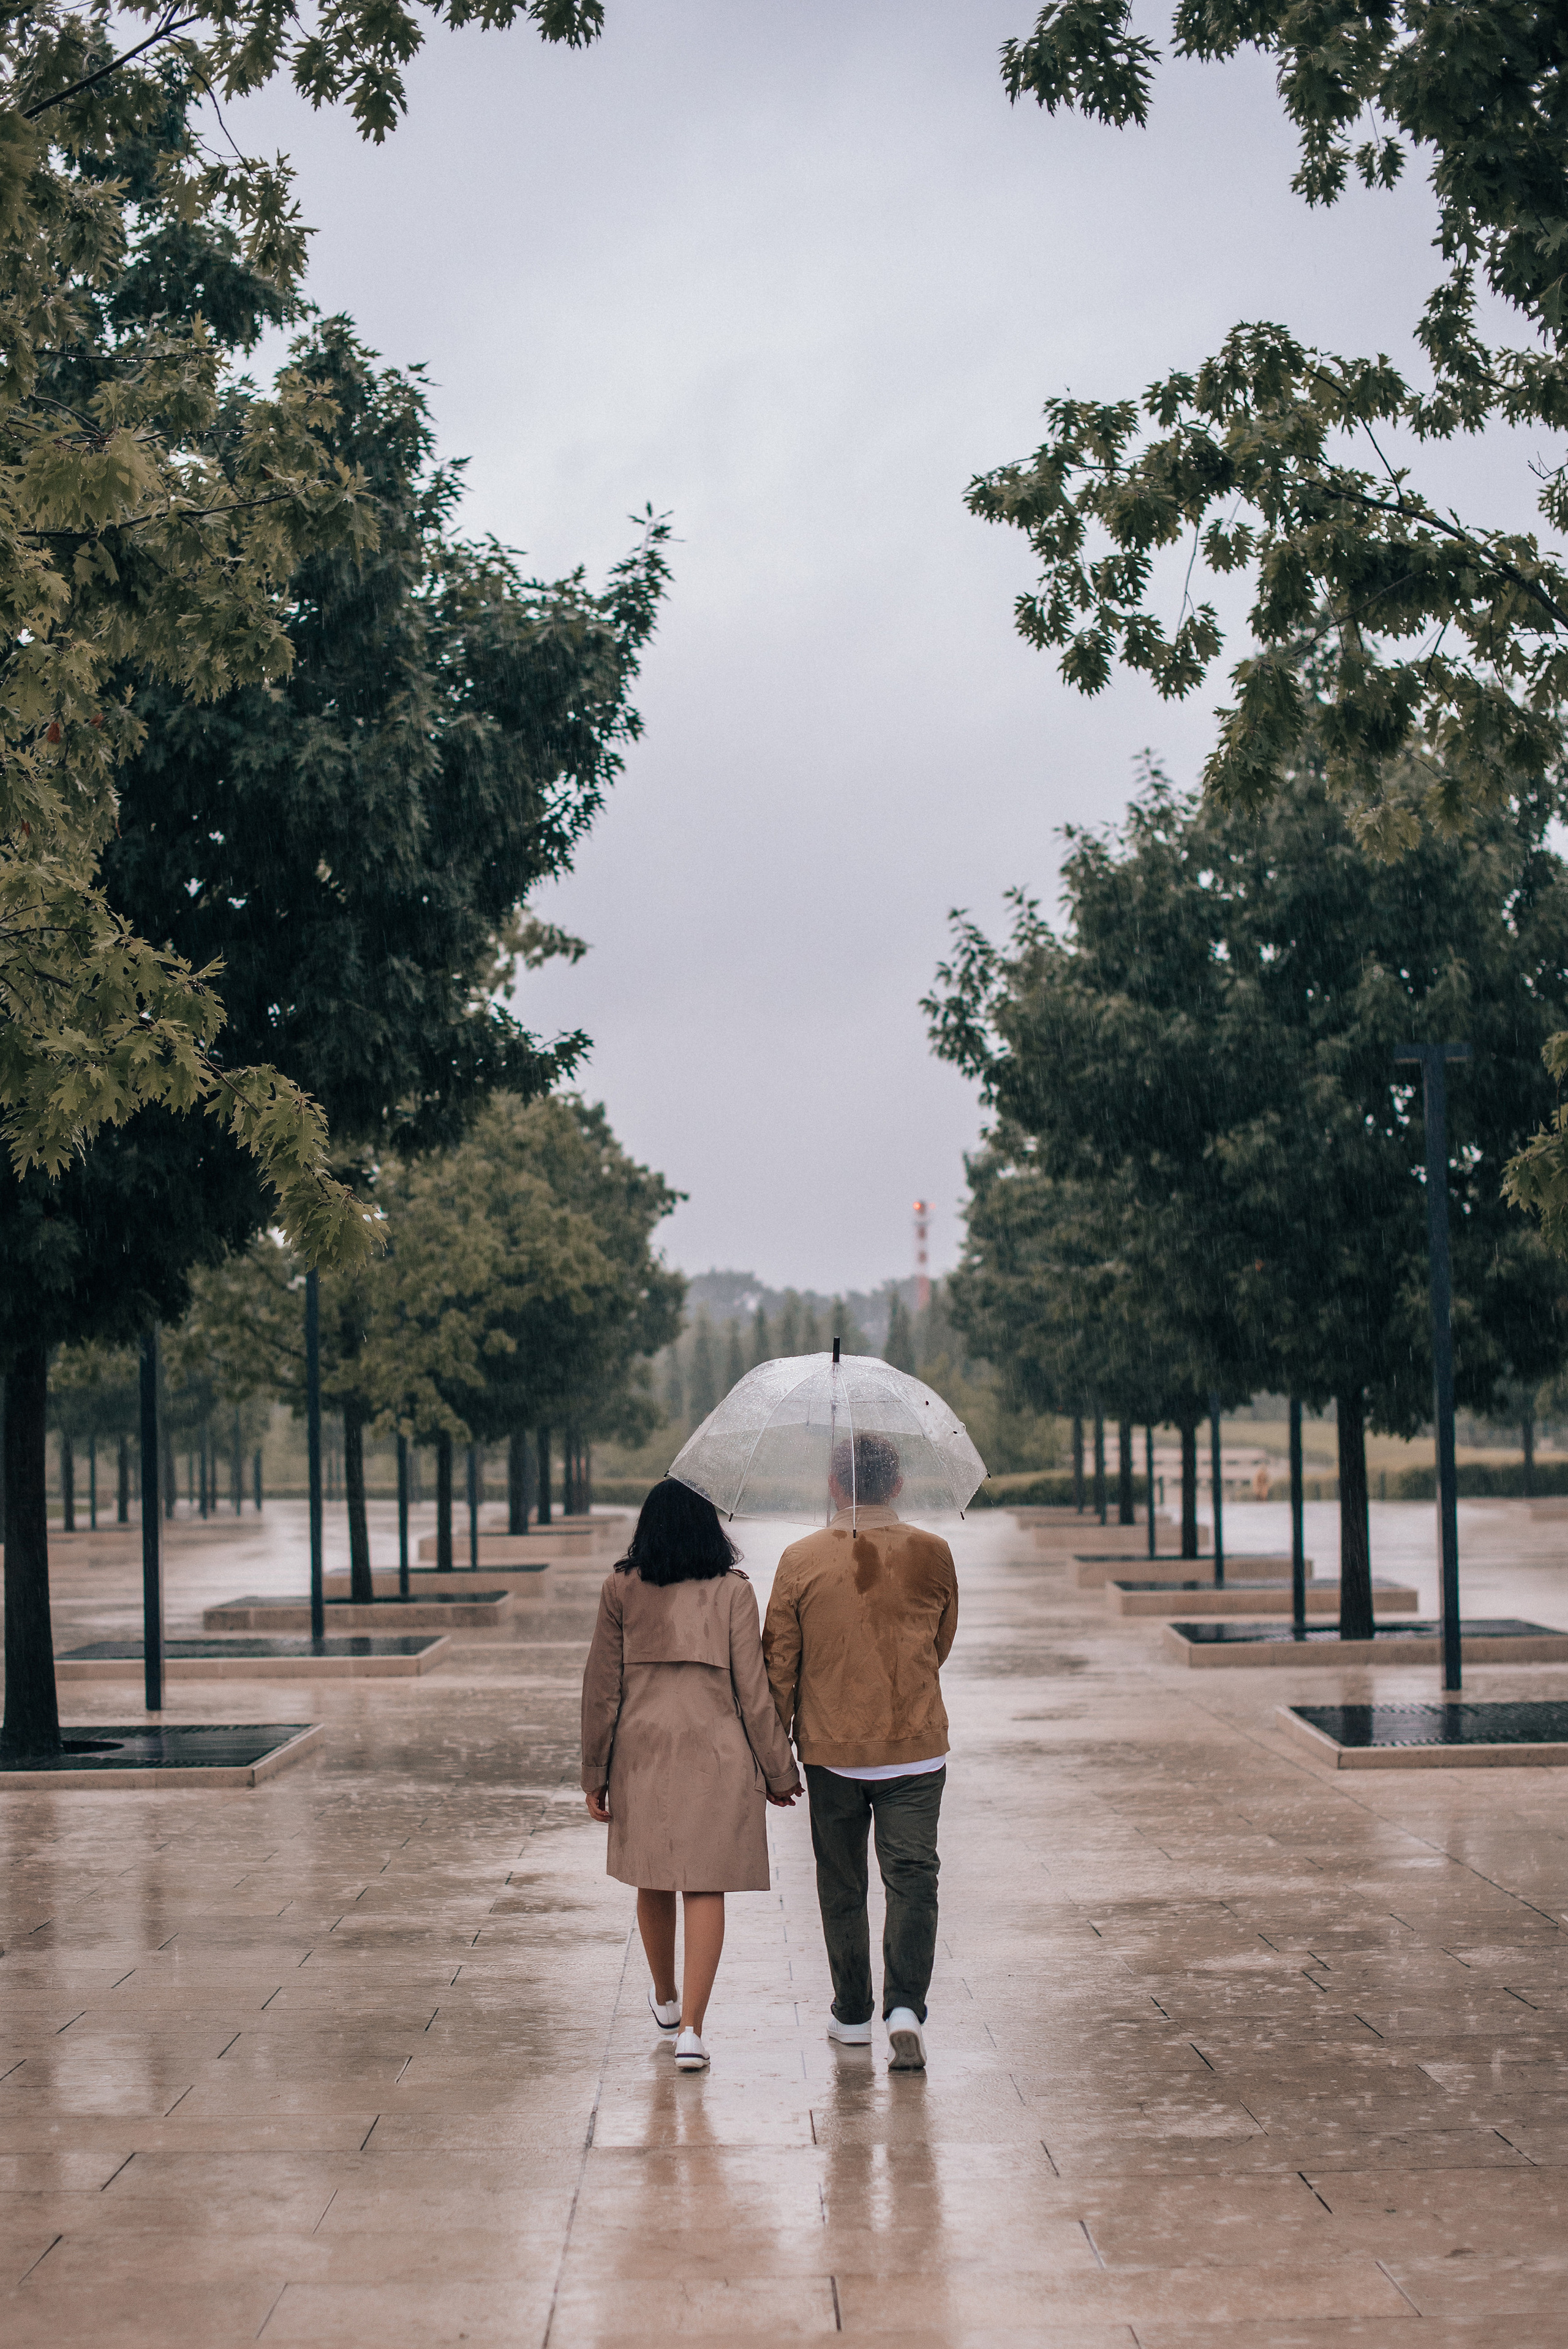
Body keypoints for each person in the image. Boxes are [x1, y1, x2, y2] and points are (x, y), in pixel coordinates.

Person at [581, 1477, 801, 2071]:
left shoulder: (619, 1590)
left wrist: (593, 1771)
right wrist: (780, 1771)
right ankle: (694, 2033)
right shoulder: (732, 1593)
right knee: (705, 1884)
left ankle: (664, 1997)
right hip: (718, 1755)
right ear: (711, 1527)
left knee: (652, 1876)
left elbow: (601, 1690)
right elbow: (754, 1693)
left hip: (640, 1753)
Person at [763, 1430, 957, 2071]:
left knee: (841, 1882)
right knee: (912, 1877)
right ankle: (905, 2006)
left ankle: (851, 2012)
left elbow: (779, 1667)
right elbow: (939, 1641)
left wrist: (775, 1758)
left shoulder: (799, 1558)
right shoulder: (933, 1553)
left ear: (833, 1485)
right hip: (915, 1747)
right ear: (896, 1485)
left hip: (832, 1750)